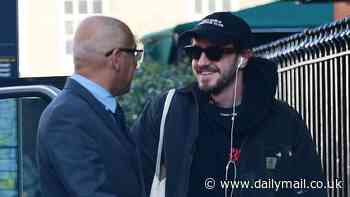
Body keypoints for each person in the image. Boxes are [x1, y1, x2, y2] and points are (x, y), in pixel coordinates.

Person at [133, 12, 326, 197]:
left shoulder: (283, 120)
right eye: (195, 51)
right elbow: (128, 176)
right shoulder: (168, 110)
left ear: (243, 58)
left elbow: (310, 189)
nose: (201, 61)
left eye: (214, 52)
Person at [37, 16, 145, 197]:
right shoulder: (66, 117)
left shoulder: (93, 109)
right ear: (117, 58)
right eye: (135, 54)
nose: (136, 65)